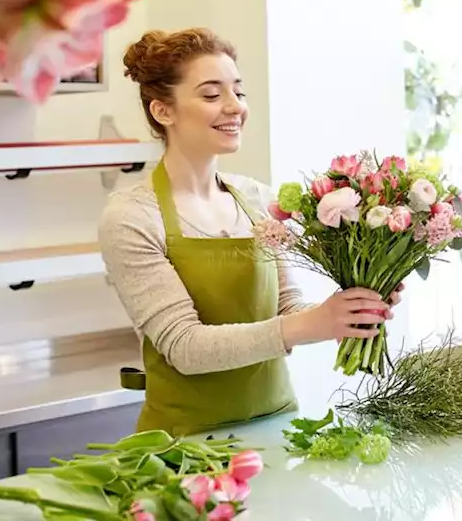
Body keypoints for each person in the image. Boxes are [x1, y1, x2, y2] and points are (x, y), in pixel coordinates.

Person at [98, 27, 401, 436]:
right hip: (185, 444)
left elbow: (288, 310)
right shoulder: (132, 216)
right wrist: (314, 323)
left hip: (278, 427)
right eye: (211, 95)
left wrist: (350, 308)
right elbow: (185, 347)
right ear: (163, 111)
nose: (234, 107)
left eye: (238, 92)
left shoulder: (256, 199)